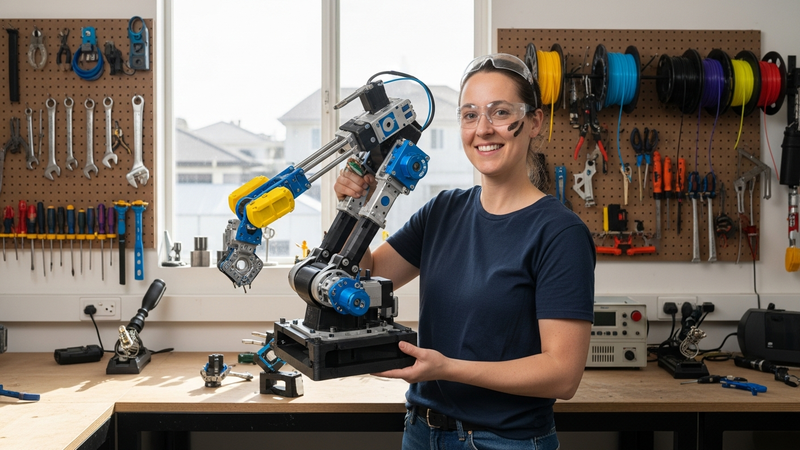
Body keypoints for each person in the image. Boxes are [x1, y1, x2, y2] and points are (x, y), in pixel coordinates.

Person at [334, 53, 595, 450]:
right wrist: (353, 208)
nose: (483, 130)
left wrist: (446, 368)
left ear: (535, 122)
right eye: (470, 115)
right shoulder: (444, 210)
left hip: (505, 441)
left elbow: (563, 375)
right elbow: (369, 273)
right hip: (421, 432)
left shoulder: (560, 233)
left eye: (500, 112)